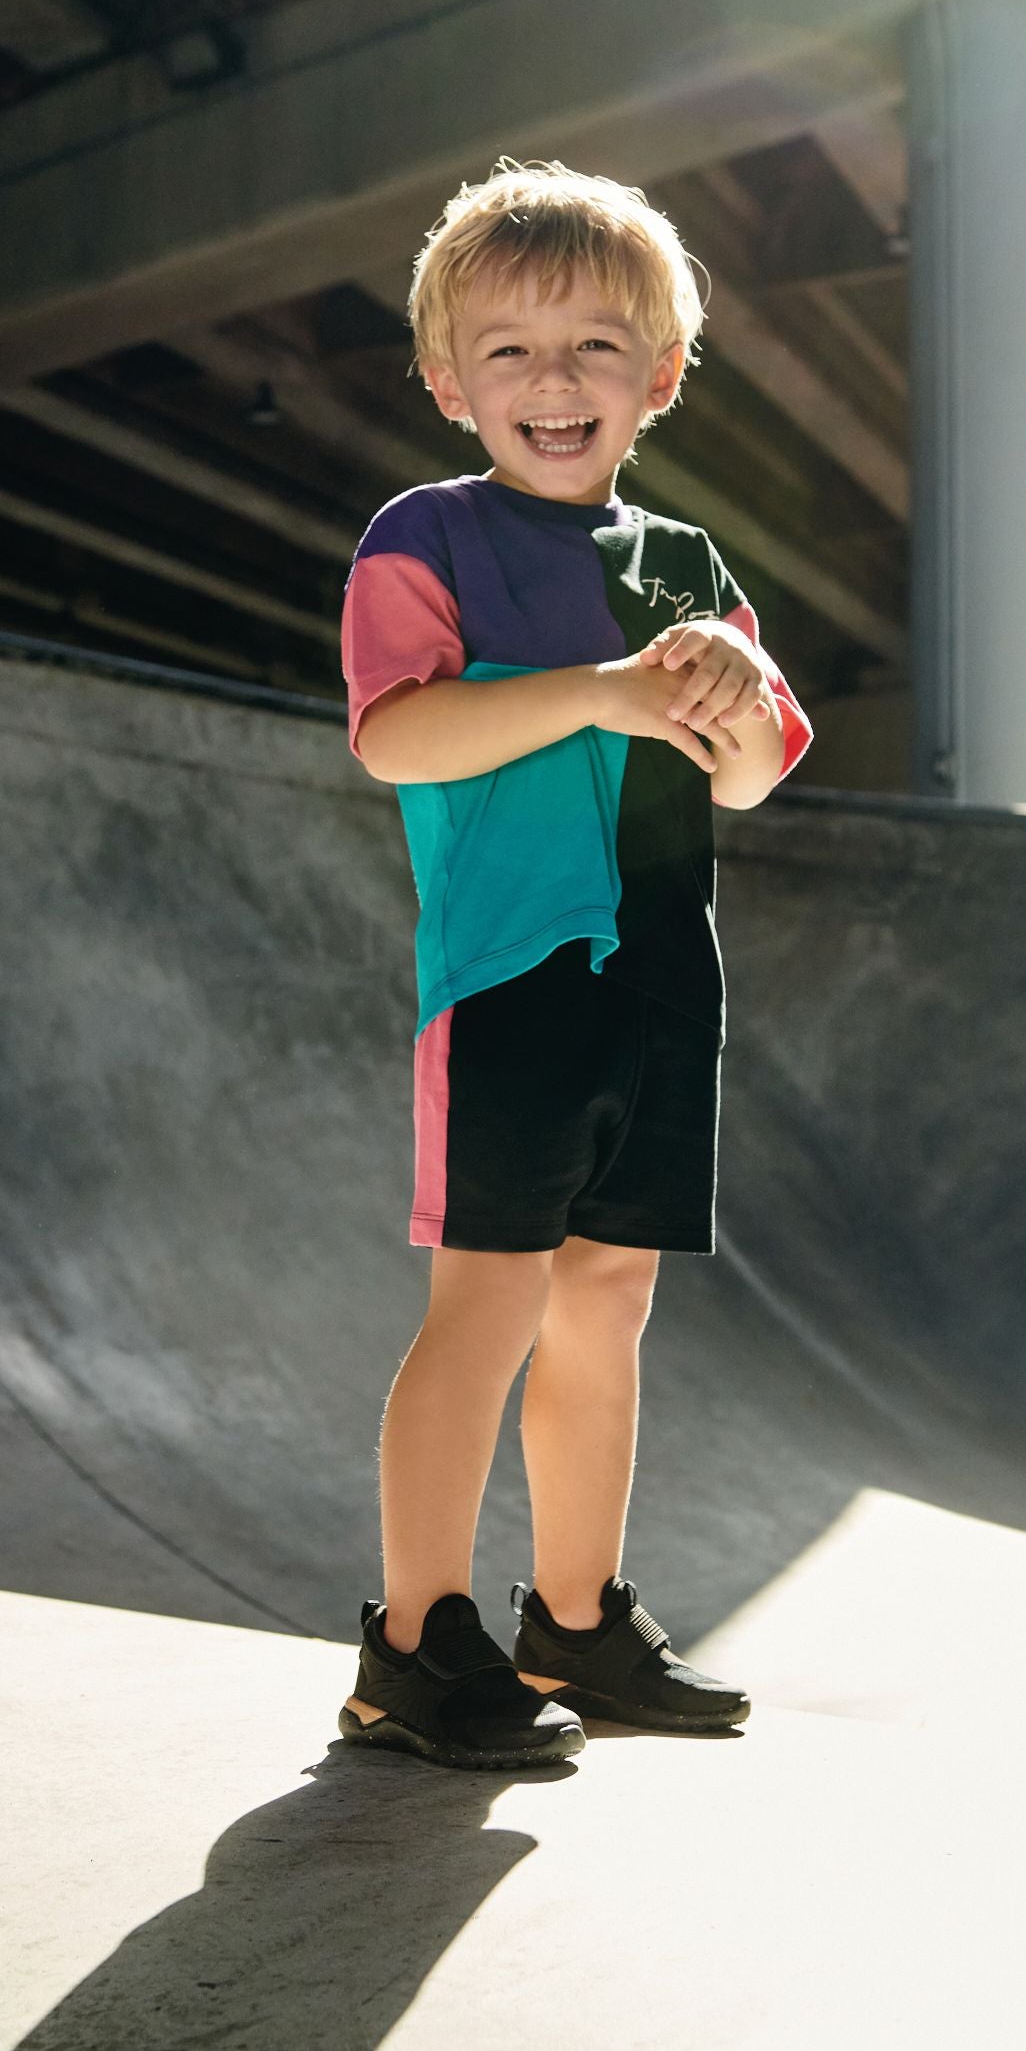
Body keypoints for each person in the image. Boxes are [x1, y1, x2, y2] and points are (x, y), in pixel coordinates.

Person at [337, 159, 812, 1769]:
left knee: (606, 1303)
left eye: (599, 348)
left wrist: (731, 681)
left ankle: (578, 1619)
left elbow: (749, 773)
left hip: (666, 981)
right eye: (513, 350)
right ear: (446, 376)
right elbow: (400, 737)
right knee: (487, 1305)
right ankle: (413, 1643)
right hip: (514, 978)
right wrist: (604, 690)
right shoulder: (430, 537)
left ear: (661, 378)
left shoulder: (685, 567)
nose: (556, 383)